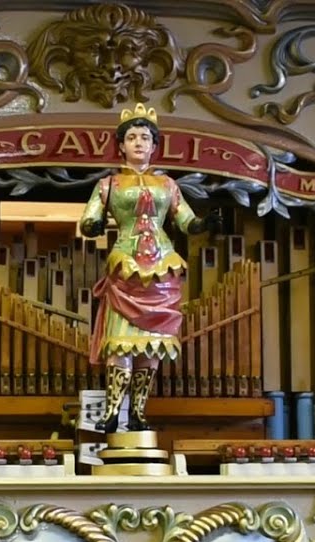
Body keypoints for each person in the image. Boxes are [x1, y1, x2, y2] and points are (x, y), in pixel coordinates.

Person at [79, 104, 216, 434]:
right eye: (131, 137)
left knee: (151, 347)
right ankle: (113, 412)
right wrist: (92, 226)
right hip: (125, 266)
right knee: (120, 346)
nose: (139, 142)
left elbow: (185, 219)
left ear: (155, 146)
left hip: (160, 268)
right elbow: (90, 217)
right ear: (121, 145)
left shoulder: (167, 185)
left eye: (145, 137)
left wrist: (203, 223)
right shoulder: (108, 185)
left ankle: (138, 412)